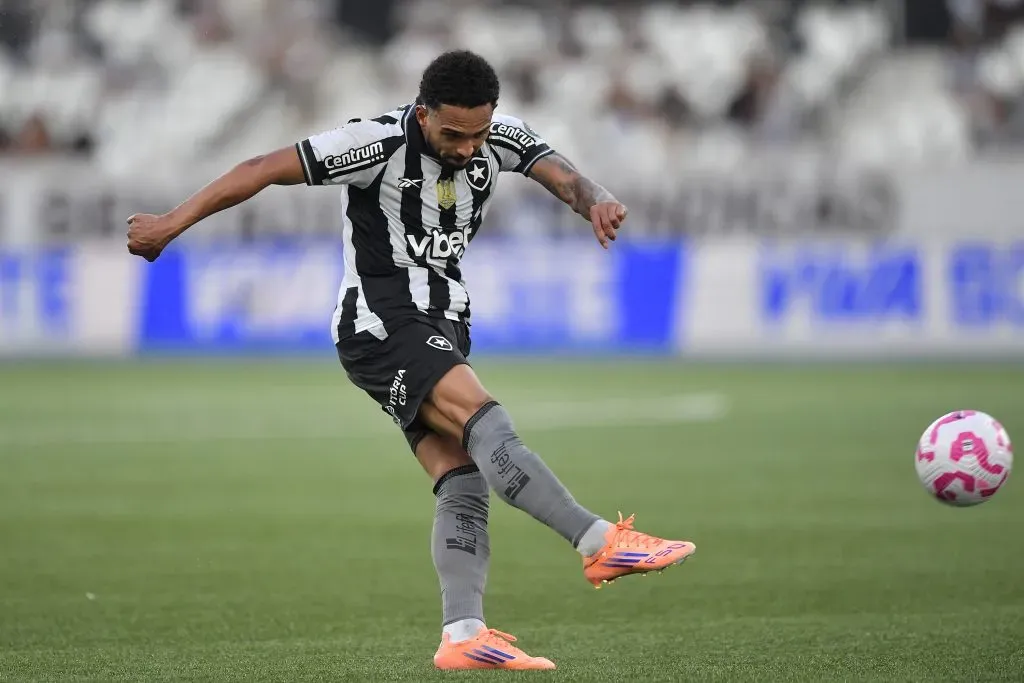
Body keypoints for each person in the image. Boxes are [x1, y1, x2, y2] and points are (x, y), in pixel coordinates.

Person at [126, 50, 696, 671]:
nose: (467, 147)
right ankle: (599, 542)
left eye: (479, 132)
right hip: (381, 323)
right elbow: (263, 168)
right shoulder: (373, 145)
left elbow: (564, 177)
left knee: (462, 477)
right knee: (488, 422)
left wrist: (598, 200)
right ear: (423, 115)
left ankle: (463, 634)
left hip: (444, 322)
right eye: (453, 134)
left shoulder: (495, 138)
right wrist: (170, 224)